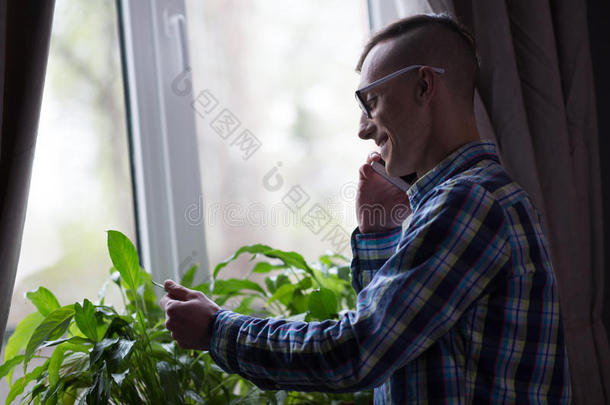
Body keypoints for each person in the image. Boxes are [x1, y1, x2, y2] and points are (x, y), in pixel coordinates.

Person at [160, 13, 572, 404]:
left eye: (371, 102)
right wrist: (379, 236)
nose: (362, 129)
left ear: (425, 87)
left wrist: (217, 329)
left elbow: (357, 351)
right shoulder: (471, 199)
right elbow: (405, 351)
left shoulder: (468, 203)